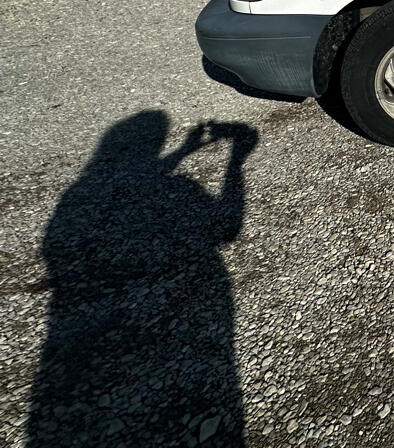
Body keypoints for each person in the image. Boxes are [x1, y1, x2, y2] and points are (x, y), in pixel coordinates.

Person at [25, 111, 258, 448]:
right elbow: (229, 225)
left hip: (84, 365)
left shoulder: (79, 196)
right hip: (197, 308)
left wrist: (186, 150)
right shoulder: (82, 199)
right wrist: (236, 158)